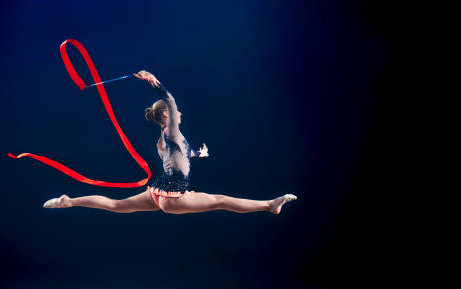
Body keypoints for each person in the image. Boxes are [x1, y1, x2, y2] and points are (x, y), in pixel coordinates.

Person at [43, 70, 296, 214]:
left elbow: (180, 158)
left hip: (157, 192)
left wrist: (198, 154)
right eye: (175, 113)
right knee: (220, 200)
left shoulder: (165, 139)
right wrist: (154, 81)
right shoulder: (171, 130)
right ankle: (269, 205)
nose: (180, 114)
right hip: (174, 196)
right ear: (166, 115)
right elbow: (173, 104)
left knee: (116, 204)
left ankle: (69, 201)